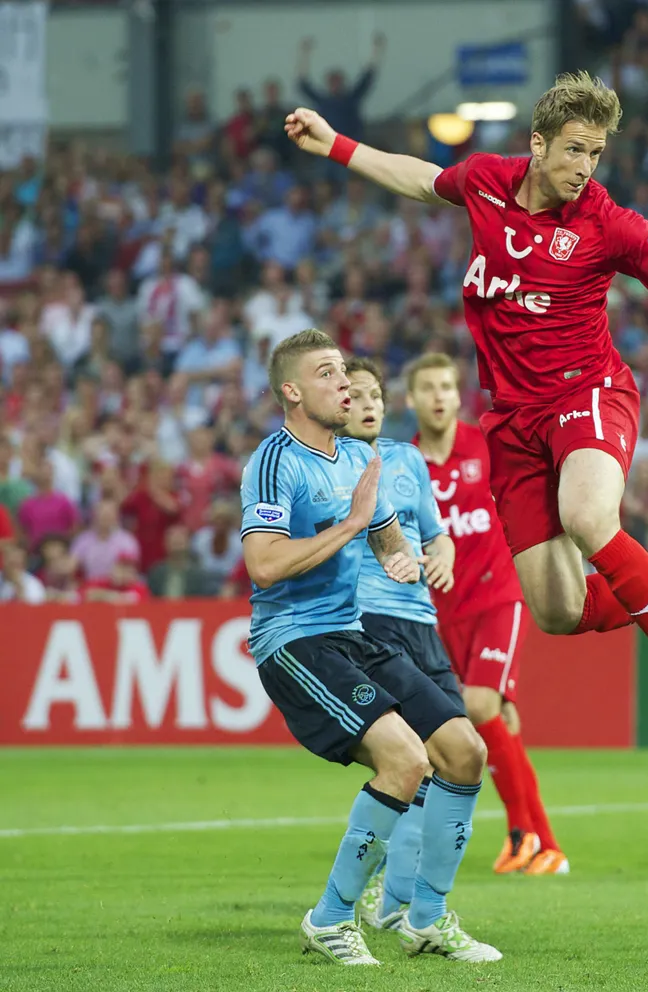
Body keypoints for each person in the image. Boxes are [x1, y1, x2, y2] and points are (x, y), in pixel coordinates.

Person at [286, 71, 648, 752]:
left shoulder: (608, 223)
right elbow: (420, 178)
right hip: (511, 421)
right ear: (538, 144)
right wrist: (337, 146)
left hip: (587, 393)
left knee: (589, 519)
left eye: (595, 153)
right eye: (573, 150)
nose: (584, 168)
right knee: (560, 611)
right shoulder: (485, 181)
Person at [238, 330, 498, 964]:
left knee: (464, 752)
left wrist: (406, 559)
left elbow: (385, 538)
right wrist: (352, 525)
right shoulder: (275, 461)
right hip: (295, 640)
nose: (345, 383)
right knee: (406, 763)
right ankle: (330, 919)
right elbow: (265, 565)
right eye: (328, 374)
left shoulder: (359, 459)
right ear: (292, 392)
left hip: (354, 634)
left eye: (344, 373)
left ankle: (427, 919)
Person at [404, 352, 567, 875]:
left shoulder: (486, 444)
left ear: (458, 395)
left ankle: (522, 833)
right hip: (439, 614)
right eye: (427, 387)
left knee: (477, 706)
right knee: (501, 721)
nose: (437, 396)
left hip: (499, 597)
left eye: (446, 386)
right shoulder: (404, 463)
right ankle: (545, 843)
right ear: (410, 399)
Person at [329, 356, 472, 931]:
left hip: (423, 625)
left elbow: (438, 537)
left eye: (373, 397)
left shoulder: (408, 459)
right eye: (354, 396)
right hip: (371, 623)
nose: (366, 405)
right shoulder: (327, 468)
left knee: (454, 758)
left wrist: (442, 561)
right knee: (417, 757)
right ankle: (387, 903)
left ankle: (394, 904)